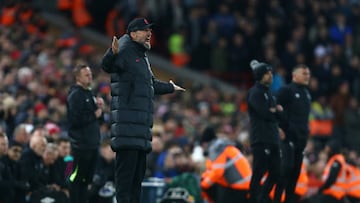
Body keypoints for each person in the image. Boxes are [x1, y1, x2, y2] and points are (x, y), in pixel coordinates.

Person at [101, 17, 185, 203]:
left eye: (150, 30)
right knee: (125, 186)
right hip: (127, 131)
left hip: (139, 131)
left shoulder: (140, 55)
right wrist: (111, 54)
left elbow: (151, 84)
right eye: (145, 30)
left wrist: (170, 88)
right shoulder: (124, 49)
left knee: (135, 184)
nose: (149, 34)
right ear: (133, 33)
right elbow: (108, 66)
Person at [66, 64, 104, 203]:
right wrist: (95, 114)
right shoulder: (75, 95)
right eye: (86, 75)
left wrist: (100, 109)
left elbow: (100, 120)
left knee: (86, 180)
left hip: (93, 144)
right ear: (78, 78)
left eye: (90, 74)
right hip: (81, 146)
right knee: (77, 179)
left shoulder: (89, 93)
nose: (90, 77)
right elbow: (74, 120)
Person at [274, 64, 311, 203]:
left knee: (295, 173)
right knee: (286, 169)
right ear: (294, 75)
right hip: (288, 136)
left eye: (308, 74)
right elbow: (274, 108)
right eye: (304, 73)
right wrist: (278, 128)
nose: (307, 76)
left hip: (301, 139)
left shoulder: (306, 93)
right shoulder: (286, 90)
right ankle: (277, 199)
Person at [247, 59, 282, 203]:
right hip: (261, 139)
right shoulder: (255, 93)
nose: (271, 76)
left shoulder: (269, 93)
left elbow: (275, 114)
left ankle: (261, 199)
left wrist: (275, 112)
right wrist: (275, 112)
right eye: (267, 73)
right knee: (259, 171)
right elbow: (265, 113)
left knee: (276, 172)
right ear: (260, 75)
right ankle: (253, 199)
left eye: (271, 73)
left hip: (272, 138)